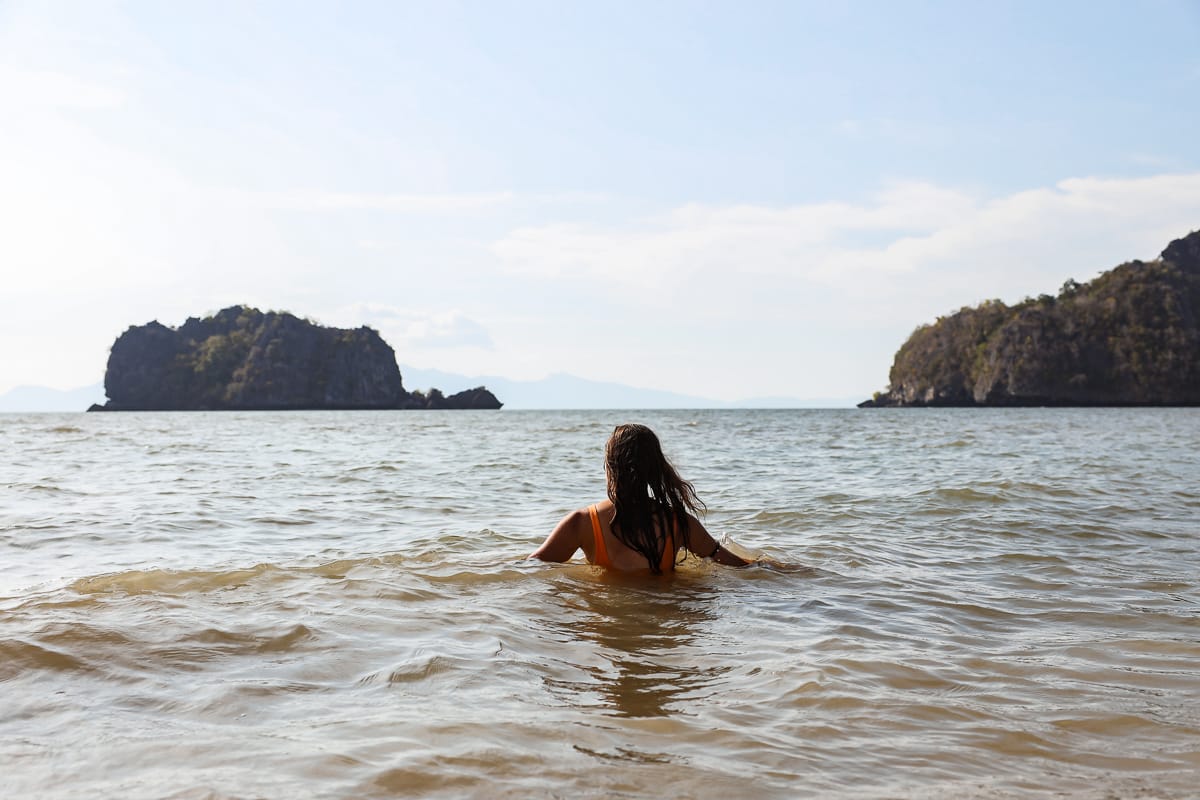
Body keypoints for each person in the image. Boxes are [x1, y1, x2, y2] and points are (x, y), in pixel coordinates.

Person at [530, 423, 750, 572]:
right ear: (656, 469)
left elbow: (529, 569)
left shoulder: (581, 523)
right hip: (665, 628)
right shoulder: (679, 524)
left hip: (605, 629)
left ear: (610, 467)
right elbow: (737, 566)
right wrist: (773, 568)